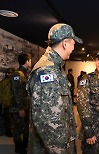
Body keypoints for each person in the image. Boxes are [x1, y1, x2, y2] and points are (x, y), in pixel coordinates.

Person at [28, 23, 83, 154]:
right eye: (73, 43)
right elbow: (46, 121)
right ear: (65, 43)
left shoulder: (55, 68)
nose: (73, 48)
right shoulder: (47, 71)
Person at [11, 53, 32, 154]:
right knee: (18, 127)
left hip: (25, 106)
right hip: (19, 107)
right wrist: (20, 108)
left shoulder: (25, 74)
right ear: (27, 61)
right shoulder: (17, 74)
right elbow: (17, 92)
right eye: (30, 60)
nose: (31, 62)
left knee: (25, 127)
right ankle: (18, 148)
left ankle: (24, 146)